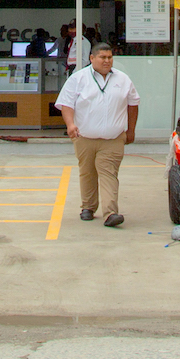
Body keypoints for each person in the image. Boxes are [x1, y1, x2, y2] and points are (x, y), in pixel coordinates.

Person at [55, 42, 140, 227]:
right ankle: (88, 207)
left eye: (110, 57)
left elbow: (133, 104)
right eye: (102, 57)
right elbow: (66, 104)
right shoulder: (78, 79)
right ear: (92, 58)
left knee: (109, 173)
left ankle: (111, 213)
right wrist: (70, 125)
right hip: (84, 137)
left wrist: (131, 130)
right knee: (87, 172)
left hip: (113, 138)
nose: (107, 61)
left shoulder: (123, 79)